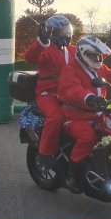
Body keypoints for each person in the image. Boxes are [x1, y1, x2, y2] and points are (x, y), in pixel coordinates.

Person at [58, 35, 111, 193]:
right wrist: (89, 97)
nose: (98, 58)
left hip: (99, 113)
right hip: (75, 116)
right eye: (94, 55)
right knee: (88, 137)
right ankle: (74, 175)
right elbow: (72, 90)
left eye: (99, 55)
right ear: (83, 53)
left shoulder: (99, 68)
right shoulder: (70, 69)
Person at [24, 15, 74, 166]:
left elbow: (90, 58)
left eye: (66, 31)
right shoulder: (45, 48)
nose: (65, 34)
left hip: (69, 94)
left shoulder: (73, 49)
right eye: (61, 32)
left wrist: (107, 48)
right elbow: (29, 57)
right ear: (52, 32)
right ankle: (44, 153)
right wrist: (42, 41)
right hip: (48, 94)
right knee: (55, 116)